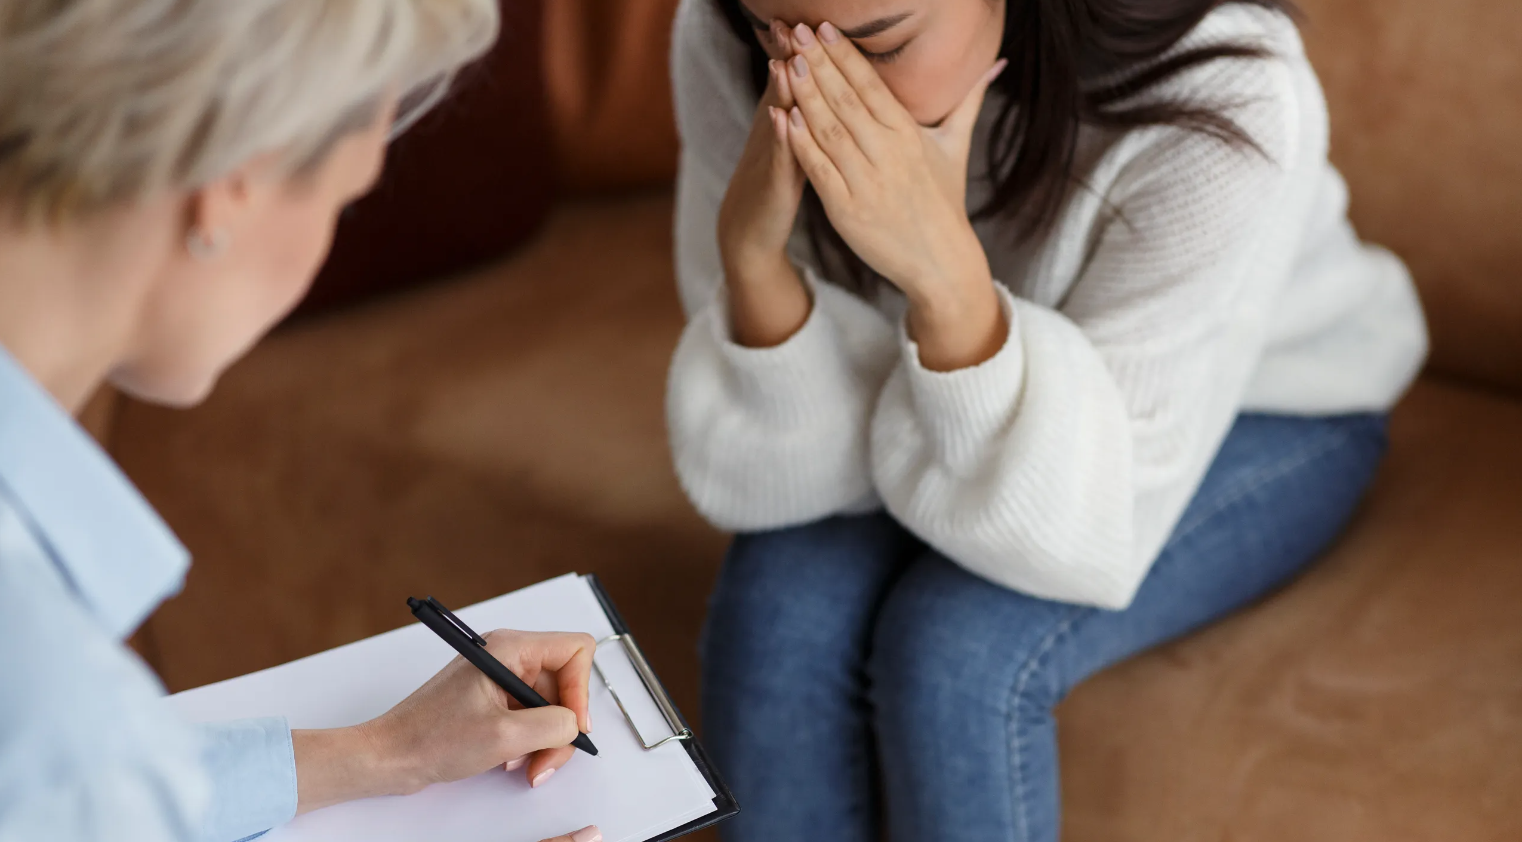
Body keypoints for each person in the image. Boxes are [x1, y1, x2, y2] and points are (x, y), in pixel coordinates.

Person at [666, 0, 1429, 839]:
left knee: (954, 657)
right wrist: (752, 261)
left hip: (1279, 402)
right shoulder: (723, 33)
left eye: (880, 42)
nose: (824, 85)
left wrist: (947, 280)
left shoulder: (1230, 93)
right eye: (778, 34)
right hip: (932, 401)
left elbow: (1085, 529)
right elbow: (797, 474)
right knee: (774, 611)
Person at [0, 2, 600, 841]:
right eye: (344, 199)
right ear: (235, 182)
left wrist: (386, 752)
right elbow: (74, 777)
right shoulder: (55, 713)